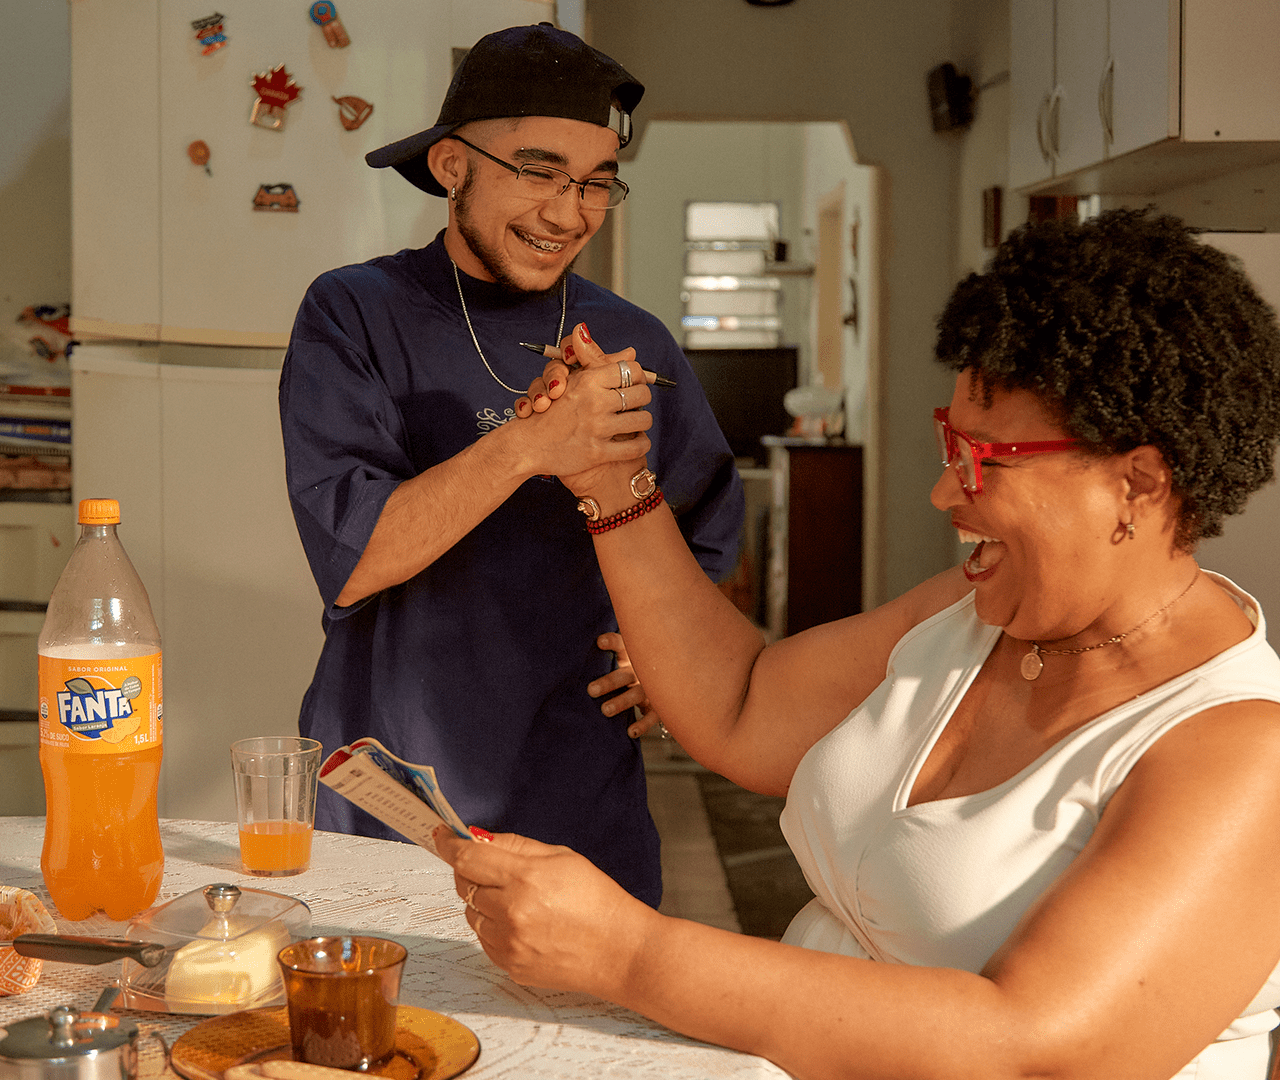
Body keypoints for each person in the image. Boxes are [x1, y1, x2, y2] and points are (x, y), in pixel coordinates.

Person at [436, 208, 1280, 1079]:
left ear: (1136, 482)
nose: (944, 493)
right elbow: (743, 705)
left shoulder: (1241, 751)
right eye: (952, 442)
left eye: (986, 457)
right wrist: (612, 477)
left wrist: (629, 954)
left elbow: (1032, 1048)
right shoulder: (974, 613)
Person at [278, 23, 744, 908]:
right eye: (539, 171)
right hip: (396, 787)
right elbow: (356, 557)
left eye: (596, 183)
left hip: (578, 782)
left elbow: (707, 532)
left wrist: (666, 662)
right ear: (453, 165)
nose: (569, 213)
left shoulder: (635, 341)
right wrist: (532, 444)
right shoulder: (354, 312)